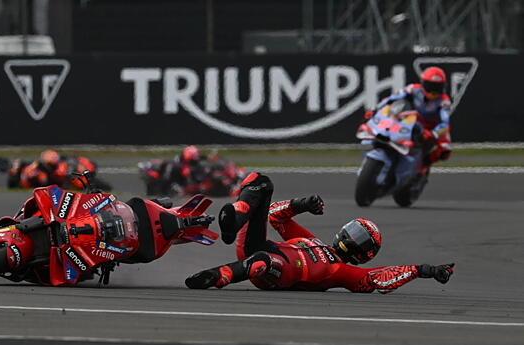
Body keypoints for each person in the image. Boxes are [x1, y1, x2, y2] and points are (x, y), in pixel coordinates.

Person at [185, 172, 454, 293]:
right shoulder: (310, 239)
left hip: (273, 271)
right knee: (261, 181)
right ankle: (237, 216)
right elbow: (275, 216)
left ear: (364, 253)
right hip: (259, 245)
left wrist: (424, 270)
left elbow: (377, 279)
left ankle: (219, 275)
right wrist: (303, 204)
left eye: (359, 238)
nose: (350, 237)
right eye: (353, 230)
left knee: (263, 262)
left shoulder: (341, 271)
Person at [365, 66, 453, 171]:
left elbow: (445, 124)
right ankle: (378, 140)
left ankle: (422, 167)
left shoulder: (445, 101)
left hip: (431, 128)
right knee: (389, 113)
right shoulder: (413, 89)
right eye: (430, 86)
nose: (433, 91)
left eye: (437, 87)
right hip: (409, 120)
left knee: (445, 149)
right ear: (423, 83)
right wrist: (375, 110)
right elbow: (391, 99)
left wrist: (433, 133)